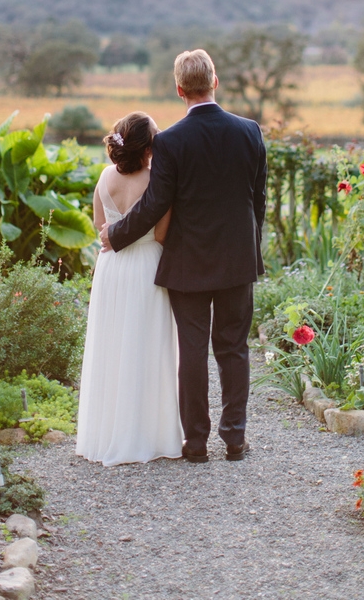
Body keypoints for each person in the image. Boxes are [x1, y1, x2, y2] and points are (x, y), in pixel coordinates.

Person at [100, 49, 267, 463]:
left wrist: (115, 235)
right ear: (215, 81)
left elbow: (155, 204)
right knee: (233, 349)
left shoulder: (170, 142)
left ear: (179, 89)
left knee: (191, 351)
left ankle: (195, 443)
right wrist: (250, 244)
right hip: (236, 259)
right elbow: (258, 200)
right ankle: (234, 439)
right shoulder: (250, 132)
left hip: (187, 263)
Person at [76, 111, 183, 466]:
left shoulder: (105, 177)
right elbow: (164, 233)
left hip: (111, 268)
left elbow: (98, 224)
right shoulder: (157, 180)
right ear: (149, 146)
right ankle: (148, 434)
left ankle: (108, 434)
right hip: (147, 267)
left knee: (113, 346)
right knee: (148, 347)